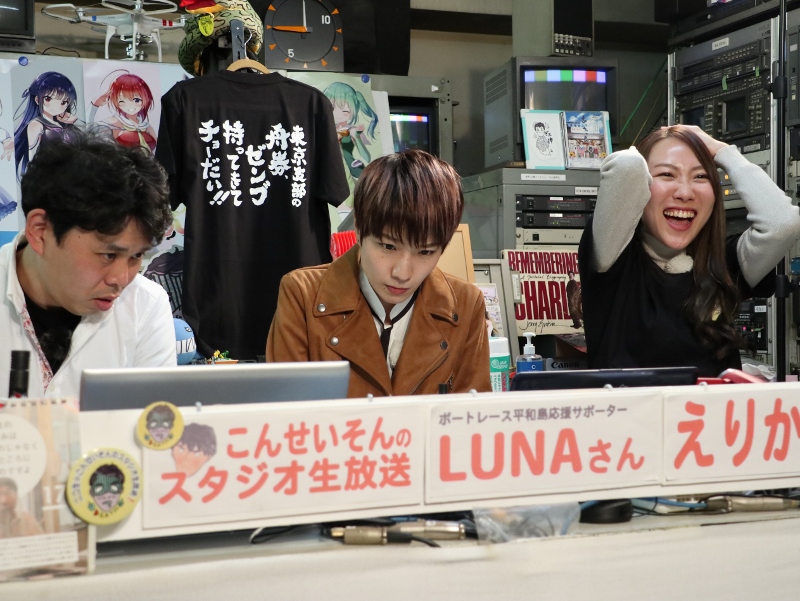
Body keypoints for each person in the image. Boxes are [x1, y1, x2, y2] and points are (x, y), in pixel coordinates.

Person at [578, 124, 800, 377]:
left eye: (700, 176)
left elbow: (782, 223)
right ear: (643, 184)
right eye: (667, 175)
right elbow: (627, 167)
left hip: (713, 403)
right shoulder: (612, 258)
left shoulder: (724, 262)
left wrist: (723, 152)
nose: (685, 193)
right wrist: (658, 139)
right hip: (633, 405)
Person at [267, 149, 491, 397]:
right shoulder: (303, 295)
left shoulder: (466, 304)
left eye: (425, 252)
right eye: (388, 246)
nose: (402, 273)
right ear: (359, 229)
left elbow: (472, 416)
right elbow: (286, 412)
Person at [0, 131, 176, 399]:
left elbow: (153, 421)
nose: (121, 279)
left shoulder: (145, 305)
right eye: (108, 255)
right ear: (40, 232)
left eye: (137, 256)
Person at [13, 71, 81, 178]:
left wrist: (74, 121)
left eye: (63, 102)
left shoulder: (65, 124)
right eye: (48, 99)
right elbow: (32, 156)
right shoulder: (36, 124)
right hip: (48, 177)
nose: (56, 107)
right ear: (37, 100)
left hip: (71, 175)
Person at [89, 71, 157, 153]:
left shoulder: (146, 126)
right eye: (122, 101)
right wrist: (94, 105)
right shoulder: (113, 122)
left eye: (136, 100)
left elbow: (159, 149)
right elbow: (88, 130)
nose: (130, 106)